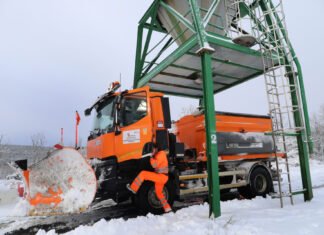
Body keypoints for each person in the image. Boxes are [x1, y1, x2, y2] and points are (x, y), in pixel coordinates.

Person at [126, 143, 172, 213]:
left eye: (152, 149)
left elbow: (154, 165)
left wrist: (150, 156)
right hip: (161, 177)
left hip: (161, 176)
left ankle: (133, 188)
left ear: (156, 148)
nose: (152, 150)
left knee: (143, 174)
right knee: (159, 193)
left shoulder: (161, 153)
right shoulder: (157, 155)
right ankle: (167, 208)